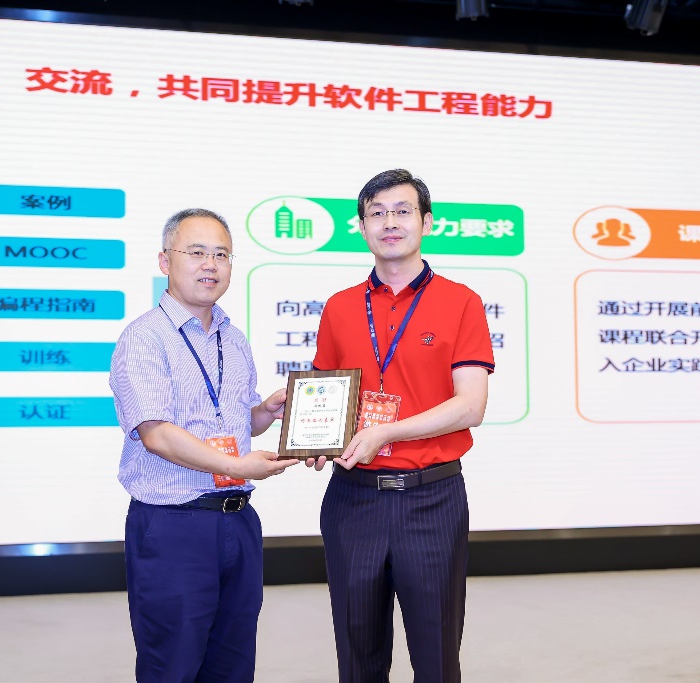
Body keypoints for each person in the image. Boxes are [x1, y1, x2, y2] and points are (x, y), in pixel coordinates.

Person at [308, 169, 495, 682]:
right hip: (353, 499)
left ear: (426, 222)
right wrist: (310, 432)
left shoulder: (461, 301)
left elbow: (470, 406)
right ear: (361, 227)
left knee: (436, 655)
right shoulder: (339, 307)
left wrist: (387, 432)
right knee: (357, 654)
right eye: (377, 213)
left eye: (402, 211)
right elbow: (326, 397)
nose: (389, 223)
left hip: (431, 499)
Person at [110, 208, 297, 682]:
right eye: (196, 252)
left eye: (221, 254)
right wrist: (239, 465)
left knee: (232, 664)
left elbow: (237, 421)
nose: (210, 265)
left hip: (238, 522)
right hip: (174, 525)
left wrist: (267, 411)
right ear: (164, 260)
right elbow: (156, 434)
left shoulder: (233, 340)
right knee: (172, 665)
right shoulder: (143, 338)